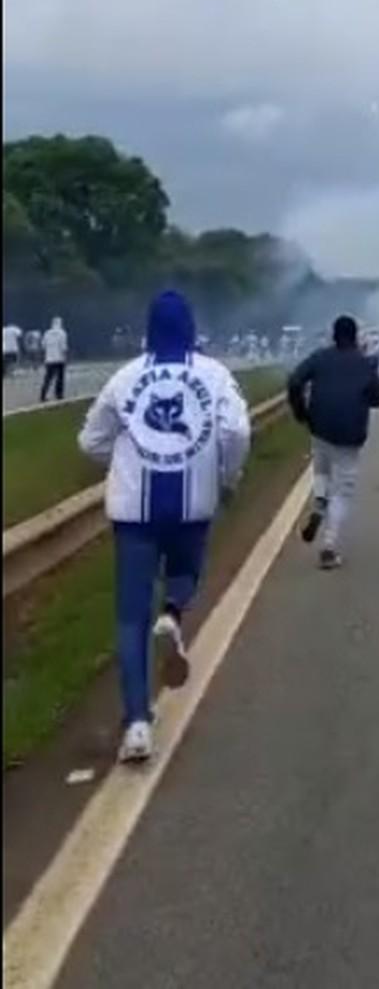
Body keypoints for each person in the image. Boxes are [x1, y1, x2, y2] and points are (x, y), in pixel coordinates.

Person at [78, 290, 251, 764]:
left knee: (129, 617)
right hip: (193, 503)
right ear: (193, 330)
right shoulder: (214, 375)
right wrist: (227, 475)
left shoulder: (124, 377)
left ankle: (136, 723)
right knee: (186, 572)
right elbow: (236, 431)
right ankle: (173, 614)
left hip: (134, 510)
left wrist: (122, 458)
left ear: (147, 330)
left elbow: (90, 441)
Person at [288, 315, 379, 570]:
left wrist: (302, 412)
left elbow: (295, 380)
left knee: (321, 471)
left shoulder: (320, 358)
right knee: (342, 492)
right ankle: (329, 547)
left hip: (320, 427)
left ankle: (320, 501)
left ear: (333, 335)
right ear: (356, 337)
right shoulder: (365, 364)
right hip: (350, 435)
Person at [40, 316, 69, 402]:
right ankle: (59, 394)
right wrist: (66, 357)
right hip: (60, 359)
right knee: (60, 378)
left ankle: (43, 395)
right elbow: (63, 347)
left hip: (49, 359)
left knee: (48, 378)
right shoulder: (62, 333)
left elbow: (43, 346)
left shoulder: (47, 333)